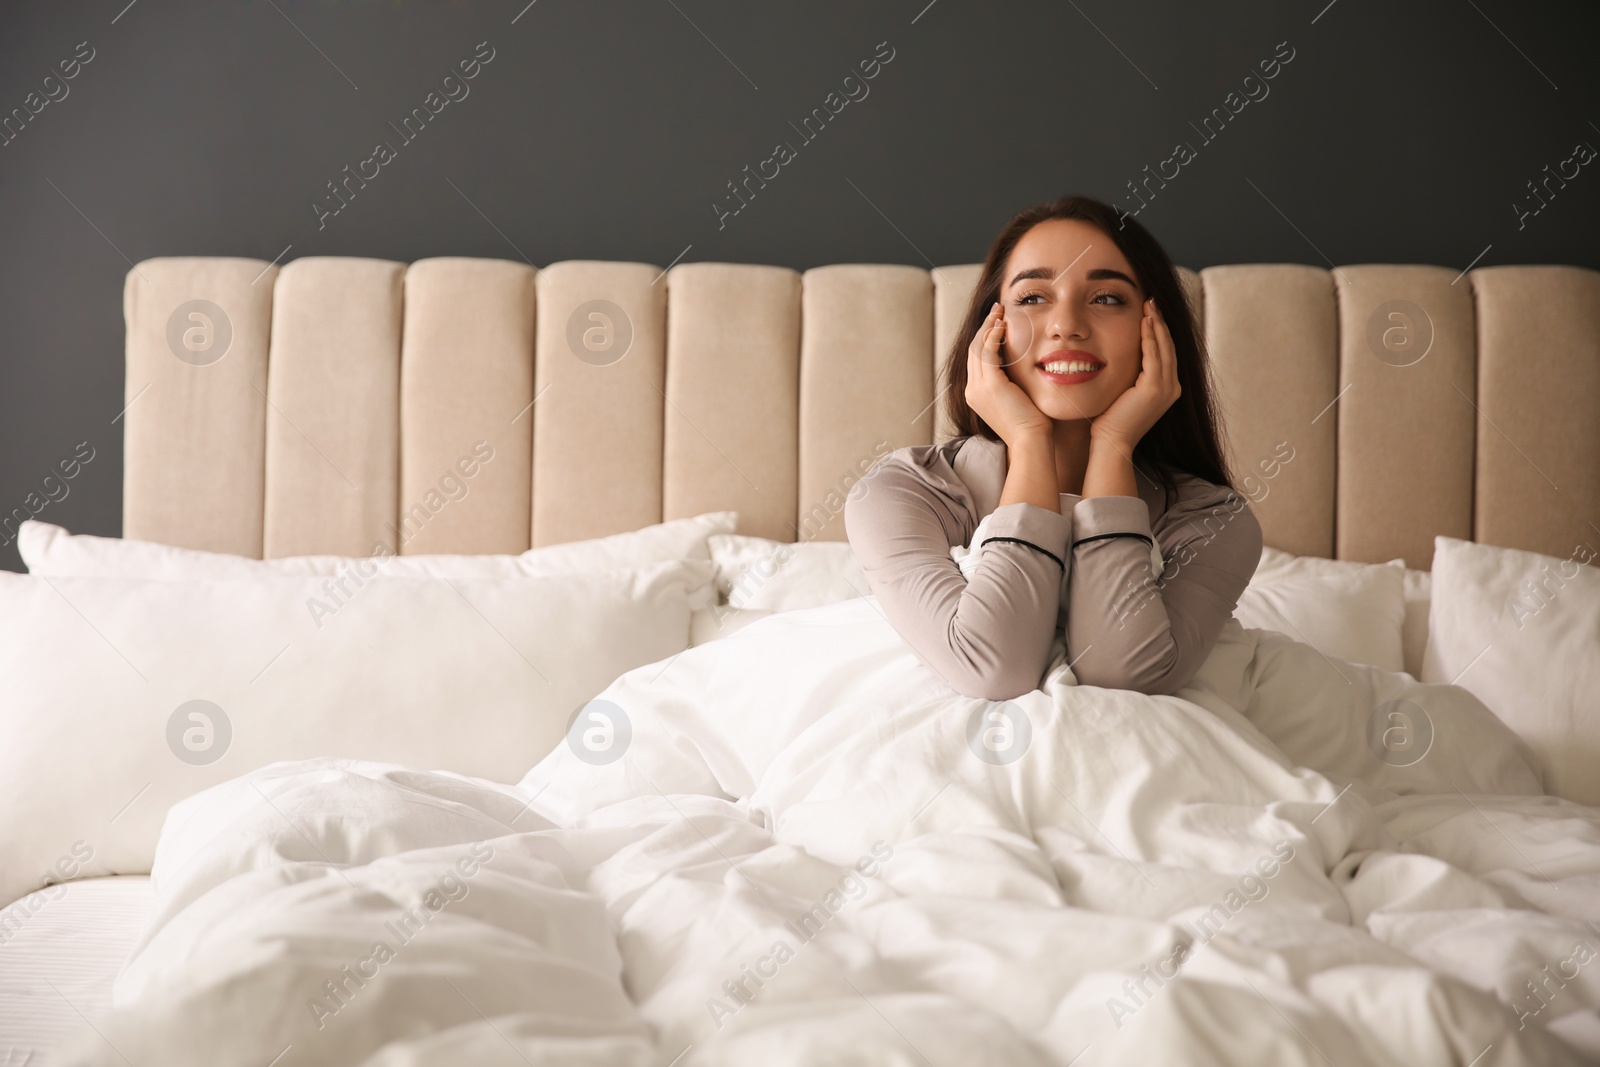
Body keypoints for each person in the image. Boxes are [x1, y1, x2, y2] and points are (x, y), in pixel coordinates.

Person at [844, 194, 1262, 701]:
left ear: (1157, 331)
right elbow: (992, 669)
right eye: (1032, 298)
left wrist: (1113, 447)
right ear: (988, 332)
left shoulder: (1215, 519)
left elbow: (1122, 676)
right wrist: (1027, 441)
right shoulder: (901, 493)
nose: (1067, 325)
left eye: (1107, 298)